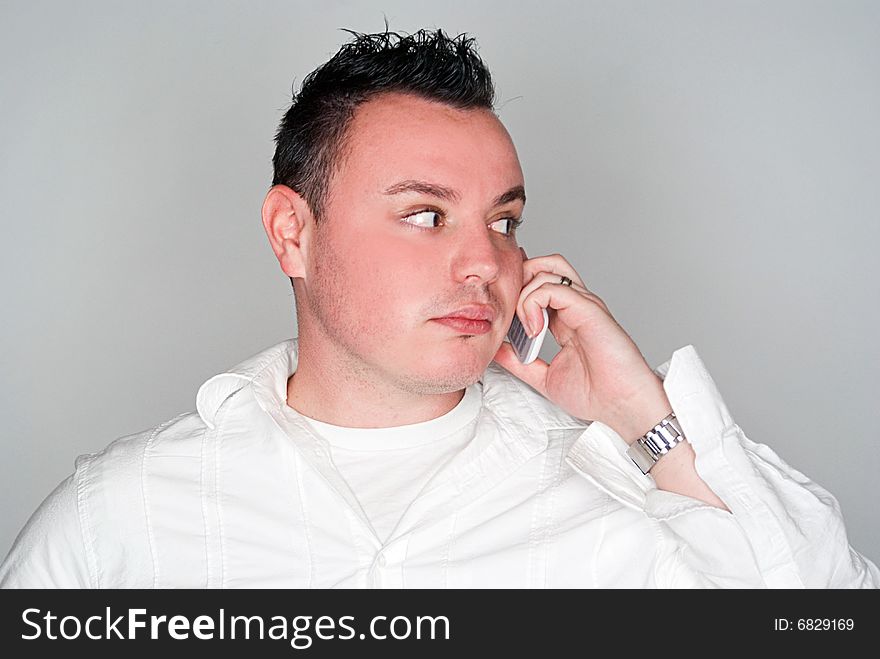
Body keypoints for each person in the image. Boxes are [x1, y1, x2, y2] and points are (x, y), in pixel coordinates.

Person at [1, 28, 876, 589]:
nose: (484, 262)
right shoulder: (122, 518)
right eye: (426, 214)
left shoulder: (621, 494)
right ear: (291, 233)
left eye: (505, 221)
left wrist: (640, 413)